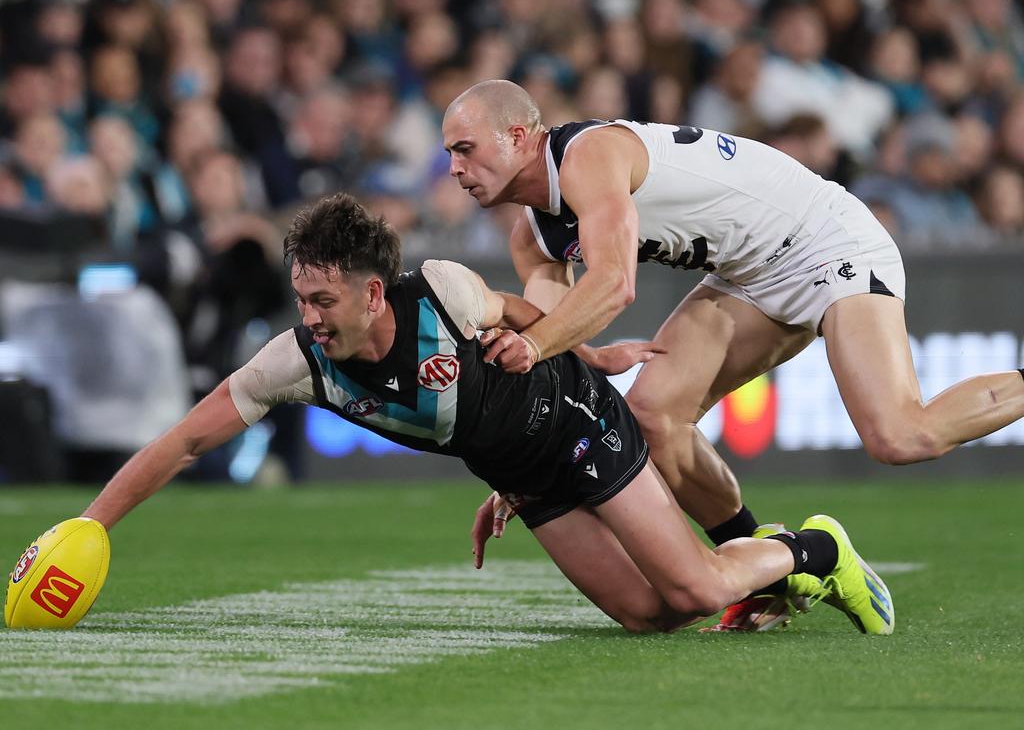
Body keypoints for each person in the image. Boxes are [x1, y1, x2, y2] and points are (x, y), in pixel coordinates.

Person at [79, 192, 893, 635]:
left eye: (323, 300)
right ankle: (782, 558)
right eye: (300, 298)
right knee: (650, 617)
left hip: (576, 424)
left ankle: (811, 545)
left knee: (694, 590)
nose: (310, 317)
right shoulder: (295, 363)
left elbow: (519, 313)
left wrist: (593, 355)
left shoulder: (440, 291)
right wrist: (91, 528)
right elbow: (186, 438)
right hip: (522, 475)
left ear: (371, 292)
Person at [442, 79, 1024, 629]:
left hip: (824, 239)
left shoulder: (586, 157)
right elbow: (554, 358)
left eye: (466, 149)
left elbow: (613, 284)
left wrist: (537, 341)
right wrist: (521, 468)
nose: (455, 169)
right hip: (748, 273)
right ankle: (768, 565)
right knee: (652, 417)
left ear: (518, 136)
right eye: (450, 154)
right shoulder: (533, 237)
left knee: (900, 435)